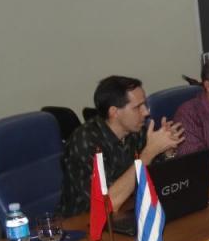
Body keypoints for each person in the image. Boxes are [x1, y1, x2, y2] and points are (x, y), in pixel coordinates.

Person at [59, 76, 185, 217]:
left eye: (145, 105)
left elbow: (156, 179)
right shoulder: (84, 142)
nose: (146, 112)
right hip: (84, 224)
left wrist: (167, 151)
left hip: (128, 209)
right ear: (114, 112)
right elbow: (107, 204)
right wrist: (149, 153)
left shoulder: (136, 131)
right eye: (138, 107)